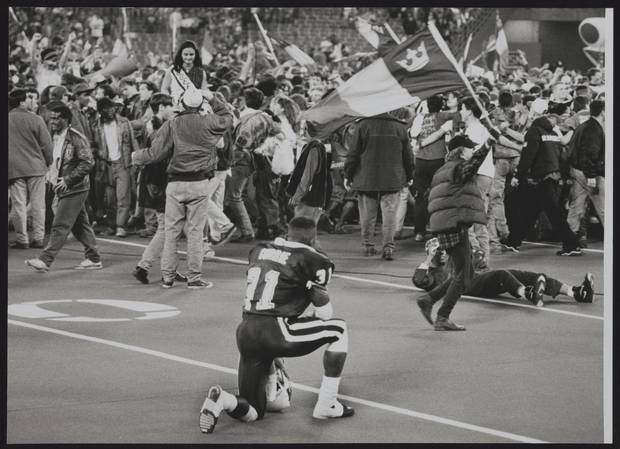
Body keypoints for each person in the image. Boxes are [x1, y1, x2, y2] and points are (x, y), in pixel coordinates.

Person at [199, 217, 353, 434]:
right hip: (277, 331)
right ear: (313, 237)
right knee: (338, 330)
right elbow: (326, 313)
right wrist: (308, 315)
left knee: (253, 410)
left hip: (246, 331)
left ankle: (223, 399)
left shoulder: (259, 250)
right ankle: (327, 403)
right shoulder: (314, 259)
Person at [132, 88, 233, 289]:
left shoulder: (172, 124)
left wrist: (135, 157)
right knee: (195, 233)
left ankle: (168, 278)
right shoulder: (209, 122)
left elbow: (155, 154)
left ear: (182, 104)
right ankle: (194, 278)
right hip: (199, 184)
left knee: (170, 232)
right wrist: (212, 98)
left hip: (175, 184)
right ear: (199, 104)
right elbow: (227, 117)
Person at [413, 238, 595, 321]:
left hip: (479, 277)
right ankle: (528, 293)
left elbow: (478, 262)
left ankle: (577, 292)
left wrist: (477, 257)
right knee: (502, 274)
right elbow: (419, 280)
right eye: (438, 252)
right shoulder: (434, 273)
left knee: (527, 275)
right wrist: (429, 259)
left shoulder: (454, 258)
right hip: (470, 286)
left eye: (443, 249)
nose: (443, 253)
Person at [419, 135, 491, 331]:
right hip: (455, 224)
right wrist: (487, 145)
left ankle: (429, 299)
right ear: (461, 150)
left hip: (446, 224)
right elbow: (473, 165)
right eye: (469, 149)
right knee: (463, 276)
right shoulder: (458, 168)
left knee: (465, 272)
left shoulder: (442, 170)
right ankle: (443, 317)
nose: (471, 152)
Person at [25, 101, 102, 272]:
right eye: (51, 118)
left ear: (66, 120)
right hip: (61, 186)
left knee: (60, 224)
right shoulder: (54, 137)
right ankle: (94, 258)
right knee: (80, 225)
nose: (52, 122)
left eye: (56, 119)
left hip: (75, 187)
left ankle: (45, 260)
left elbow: (88, 163)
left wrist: (68, 180)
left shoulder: (76, 138)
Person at [501, 98, 582, 256]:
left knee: (553, 213)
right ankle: (514, 241)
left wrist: (518, 174)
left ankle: (571, 244)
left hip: (540, 177)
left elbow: (528, 155)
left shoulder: (534, 130)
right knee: (530, 211)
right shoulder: (552, 130)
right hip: (552, 174)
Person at [344, 110, 414, 261]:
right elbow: (408, 155)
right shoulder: (400, 127)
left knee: (367, 215)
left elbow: (353, 154)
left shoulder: (362, 125)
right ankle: (388, 247)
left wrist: (348, 175)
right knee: (389, 215)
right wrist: (409, 176)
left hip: (366, 177)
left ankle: (368, 245)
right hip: (392, 178)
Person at [8, 88, 53, 249]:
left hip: (13, 168)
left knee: (18, 205)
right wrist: (49, 162)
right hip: (36, 166)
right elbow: (47, 144)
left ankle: (22, 239)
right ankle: (39, 238)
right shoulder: (36, 119)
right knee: (38, 204)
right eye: (28, 99)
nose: (30, 101)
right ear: (21, 102)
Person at [92, 97, 140, 238]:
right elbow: (93, 144)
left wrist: (137, 160)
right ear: (101, 111)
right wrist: (97, 154)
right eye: (107, 109)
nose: (111, 111)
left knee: (123, 197)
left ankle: (121, 226)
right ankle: (111, 225)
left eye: (112, 107)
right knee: (109, 198)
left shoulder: (124, 122)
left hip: (123, 164)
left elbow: (133, 141)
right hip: (105, 165)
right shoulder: (96, 125)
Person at [566, 100, 605, 242]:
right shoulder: (594, 129)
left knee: (576, 207)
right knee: (604, 208)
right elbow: (589, 153)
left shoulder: (583, 126)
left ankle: (569, 241)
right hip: (589, 173)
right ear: (602, 111)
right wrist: (592, 176)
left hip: (577, 171)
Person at [160, 40, 209, 108]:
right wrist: (170, 102)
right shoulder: (172, 70)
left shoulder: (201, 72)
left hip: (195, 109)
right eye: (185, 54)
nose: (188, 57)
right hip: (176, 107)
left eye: (191, 54)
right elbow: (164, 89)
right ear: (181, 55)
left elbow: (205, 92)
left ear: (195, 55)